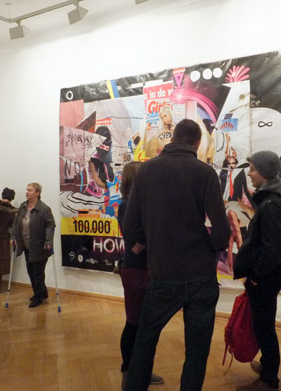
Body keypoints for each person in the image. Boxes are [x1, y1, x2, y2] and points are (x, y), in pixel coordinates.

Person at [123, 119, 231, 391]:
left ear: (172, 139)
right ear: (197, 143)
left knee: (145, 340)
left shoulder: (146, 171)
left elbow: (131, 226)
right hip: (200, 275)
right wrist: (208, 248)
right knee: (197, 350)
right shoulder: (205, 173)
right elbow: (222, 231)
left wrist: (151, 242)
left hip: (163, 271)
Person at [233, 150, 281, 391]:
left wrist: (255, 276)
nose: (249, 173)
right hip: (267, 276)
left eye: (254, 169)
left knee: (264, 327)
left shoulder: (270, 205)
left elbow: (272, 249)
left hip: (265, 278)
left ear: (265, 172)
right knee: (263, 323)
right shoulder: (269, 200)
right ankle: (267, 365)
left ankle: (269, 379)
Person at [117, 162, 163, 390]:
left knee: (145, 325)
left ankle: (141, 370)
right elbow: (135, 244)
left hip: (145, 269)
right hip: (135, 270)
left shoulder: (141, 204)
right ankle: (128, 371)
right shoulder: (127, 205)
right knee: (134, 323)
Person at [12, 183, 56, 308]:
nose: (27, 192)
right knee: (31, 271)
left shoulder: (44, 209)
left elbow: (50, 225)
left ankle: (38, 297)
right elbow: (16, 223)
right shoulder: (23, 206)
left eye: (30, 190)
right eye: (27, 190)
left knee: (38, 273)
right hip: (27, 245)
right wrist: (13, 237)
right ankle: (42, 292)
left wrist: (48, 241)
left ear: (37, 193)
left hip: (40, 246)